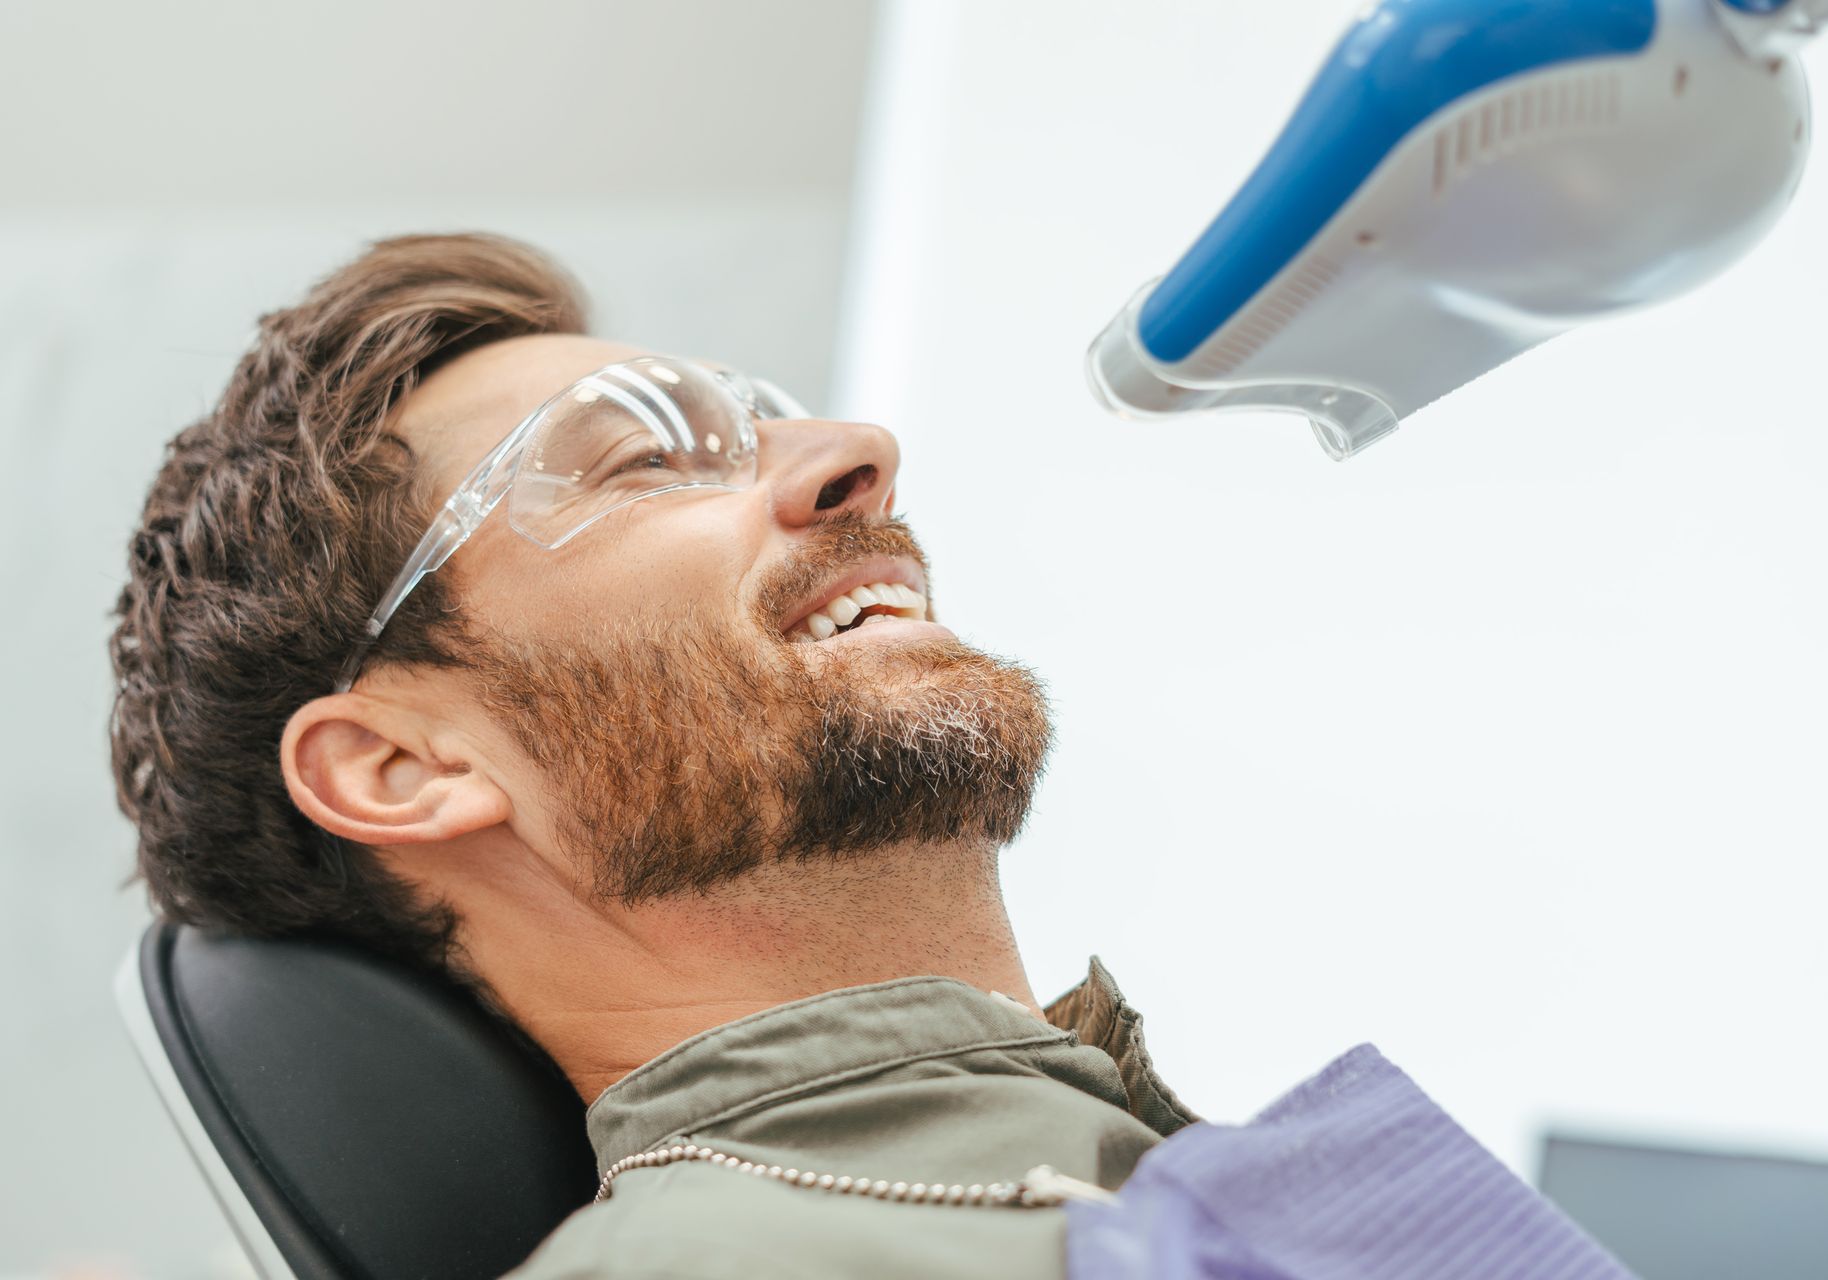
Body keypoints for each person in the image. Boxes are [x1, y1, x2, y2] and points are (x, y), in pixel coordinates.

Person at [110, 234, 1629, 1279]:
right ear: (401, 768)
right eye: (646, 453)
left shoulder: (1103, 1191)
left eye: (765, 416)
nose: (852, 450)